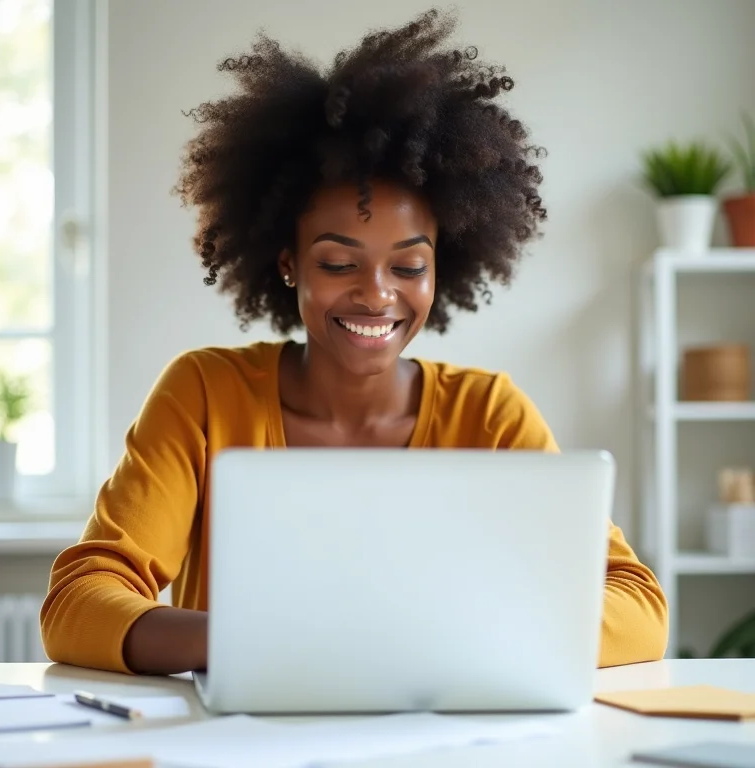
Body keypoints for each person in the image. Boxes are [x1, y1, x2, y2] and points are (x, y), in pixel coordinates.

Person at [41, 9, 668, 675]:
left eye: (408, 266)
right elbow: (77, 603)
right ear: (289, 263)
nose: (376, 294)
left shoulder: (488, 414)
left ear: (441, 268)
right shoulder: (204, 396)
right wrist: (261, 641)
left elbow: (638, 607)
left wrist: (458, 637)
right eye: (340, 263)